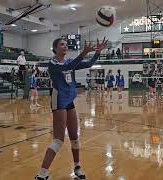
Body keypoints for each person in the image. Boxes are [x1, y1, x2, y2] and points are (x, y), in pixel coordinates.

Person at [34, 37, 108, 180]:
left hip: (69, 101)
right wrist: (83, 53)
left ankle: (77, 167)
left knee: (74, 138)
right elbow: (67, 68)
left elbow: (89, 64)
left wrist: (97, 52)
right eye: (62, 44)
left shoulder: (69, 62)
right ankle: (41, 174)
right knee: (58, 140)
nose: (65, 46)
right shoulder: (53, 63)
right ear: (55, 48)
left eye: (66, 45)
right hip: (59, 100)